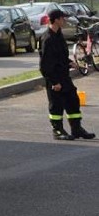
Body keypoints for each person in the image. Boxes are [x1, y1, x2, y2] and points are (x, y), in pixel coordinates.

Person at [39, 9, 95, 140]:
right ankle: (57, 131)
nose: (65, 20)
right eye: (63, 18)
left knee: (72, 101)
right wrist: (54, 82)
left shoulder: (58, 35)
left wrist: (70, 62)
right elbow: (45, 64)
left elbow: (60, 56)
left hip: (64, 75)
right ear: (57, 20)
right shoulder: (47, 38)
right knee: (56, 105)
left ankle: (77, 129)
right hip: (54, 78)